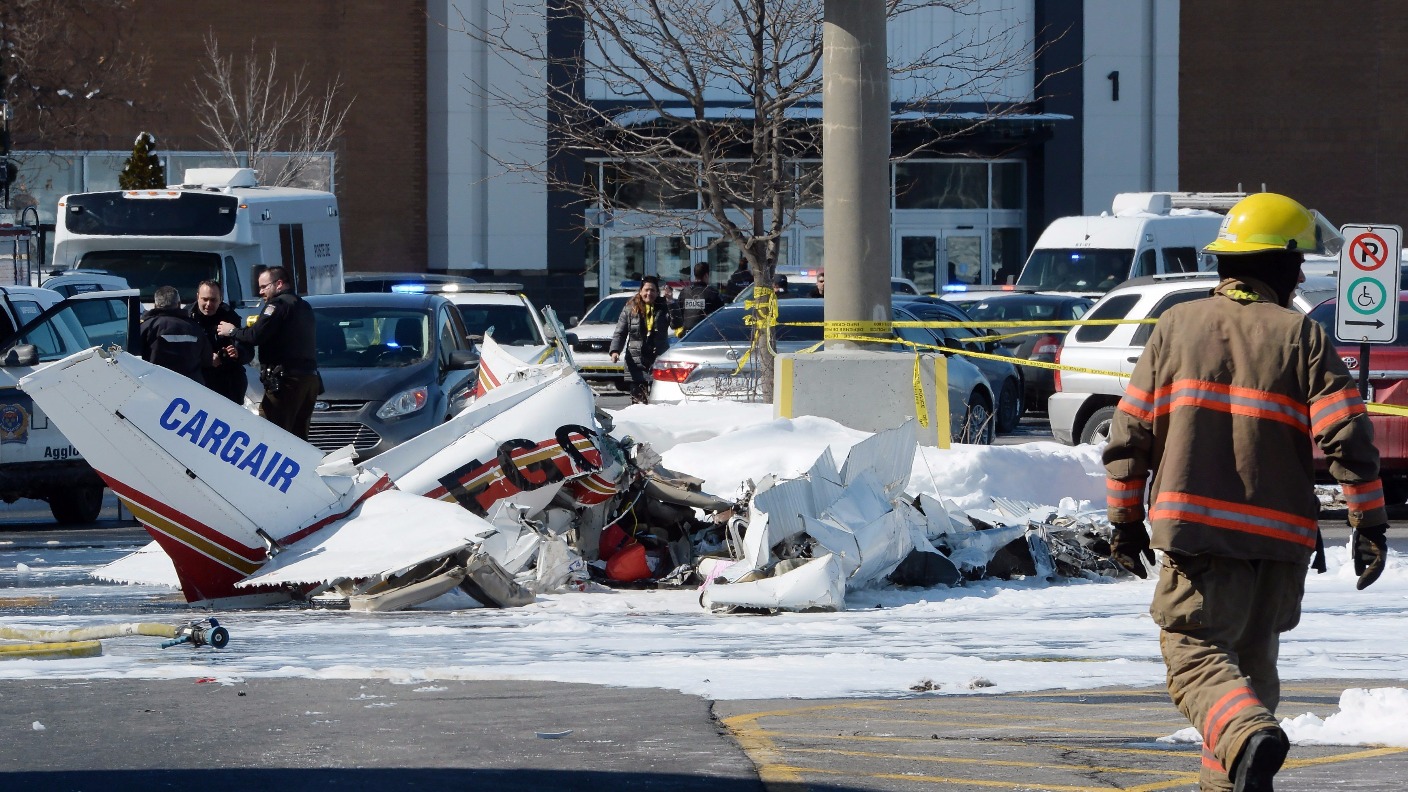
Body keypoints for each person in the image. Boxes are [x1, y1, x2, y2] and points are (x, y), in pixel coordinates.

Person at [1102, 193, 1389, 792]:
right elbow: (1349, 437)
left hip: (1199, 544)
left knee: (1197, 664)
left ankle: (1251, 737)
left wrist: (1125, 521)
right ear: (1276, 264)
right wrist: (1369, 525)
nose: (1303, 274)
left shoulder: (1177, 326)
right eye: (1299, 262)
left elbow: (1129, 433)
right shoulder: (1302, 337)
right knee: (1249, 682)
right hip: (1278, 552)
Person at [216, 266, 320, 439]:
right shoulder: (303, 305)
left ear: (279, 284)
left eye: (264, 287)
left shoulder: (277, 305)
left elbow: (256, 335)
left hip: (286, 382)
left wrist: (232, 331)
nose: (261, 292)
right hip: (308, 380)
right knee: (299, 438)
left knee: (269, 435)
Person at [188, 280, 253, 404]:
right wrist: (205, 358)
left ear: (221, 299)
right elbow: (179, 354)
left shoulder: (231, 318)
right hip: (198, 382)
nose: (208, 304)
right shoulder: (187, 318)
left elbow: (248, 350)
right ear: (197, 297)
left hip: (227, 382)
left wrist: (238, 353)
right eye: (204, 299)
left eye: (213, 300)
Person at [609, 275, 670, 404]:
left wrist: (672, 303)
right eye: (646, 290)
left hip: (658, 360)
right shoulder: (630, 308)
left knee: (659, 403)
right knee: (638, 403)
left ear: (657, 292)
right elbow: (620, 332)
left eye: (653, 290)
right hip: (635, 361)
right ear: (641, 291)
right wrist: (615, 351)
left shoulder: (665, 307)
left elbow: (677, 324)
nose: (649, 293)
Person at [139, 286, 211, 384]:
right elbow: (207, 360)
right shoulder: (194, 327)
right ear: (179, 304)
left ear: (155, 305)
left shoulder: (147, 327)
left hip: (157, 387)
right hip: (192, 388)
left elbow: (134, 358)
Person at [672, 261, 725, 336]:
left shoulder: (684, 292)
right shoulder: (712, 293)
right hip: (706, 335)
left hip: (687, 336)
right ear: (706, 275)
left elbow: (679, 313)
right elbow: (720, 315)